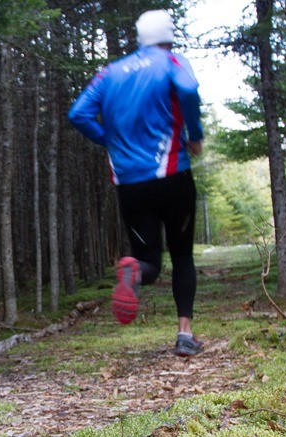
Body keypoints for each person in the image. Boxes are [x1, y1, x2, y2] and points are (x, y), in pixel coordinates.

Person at [67, 9, 205, 357]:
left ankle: (135, 273)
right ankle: (185, 335)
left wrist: (109, 140)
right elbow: (188, 89)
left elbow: (78, 113)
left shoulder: (109, 73)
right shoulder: (172, 61)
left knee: (149, 260)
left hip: (130, 184)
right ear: (168, 36)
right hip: (172, 175)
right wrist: (195, 135)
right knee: (182, 256)